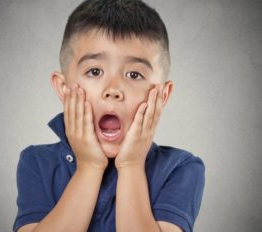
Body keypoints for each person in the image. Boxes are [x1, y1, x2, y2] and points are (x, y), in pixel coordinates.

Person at [13, 0, 205, 231]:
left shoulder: (180, 168)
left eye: (134, 74)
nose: (113, 89)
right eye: (95, 71)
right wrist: (89, 166)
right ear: (63, 88)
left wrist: (132, 165)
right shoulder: (37, 162)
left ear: (162, 96)